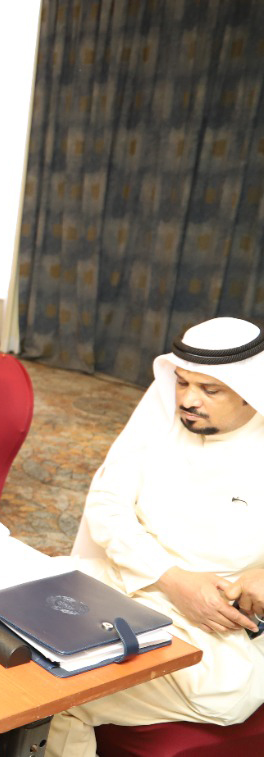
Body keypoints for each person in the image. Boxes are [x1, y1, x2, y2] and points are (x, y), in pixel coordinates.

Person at [45, 317, 264, 756]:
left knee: (53, 695)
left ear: (250, 390)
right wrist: (172, 579)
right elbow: (106, 507)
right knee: (3, 615)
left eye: (210, 389)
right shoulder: (163, 417)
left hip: (215, 640)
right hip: (125, 586)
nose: (188, 400)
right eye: (182, 382)